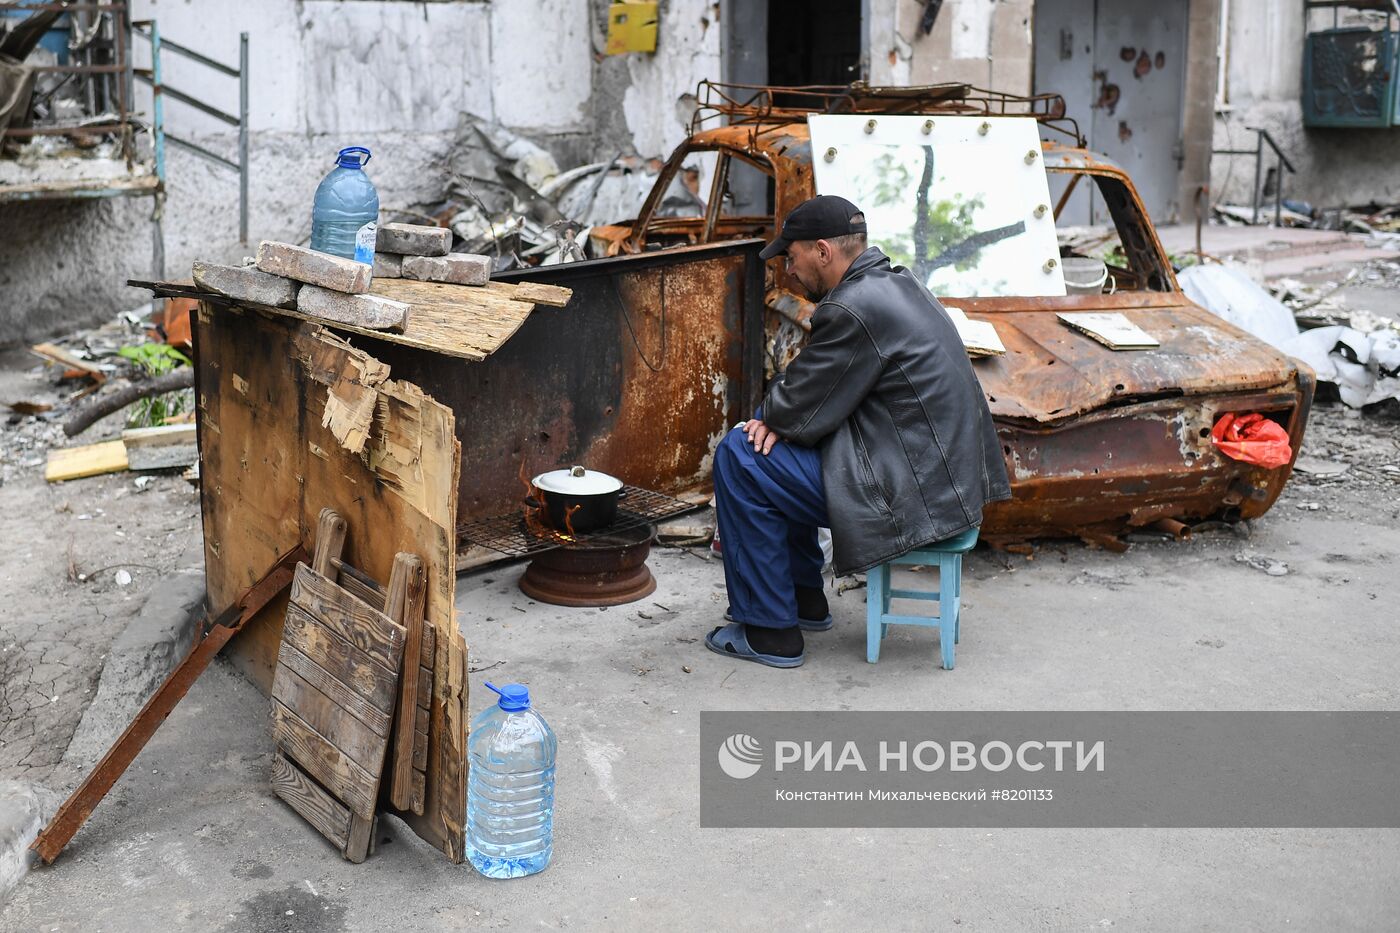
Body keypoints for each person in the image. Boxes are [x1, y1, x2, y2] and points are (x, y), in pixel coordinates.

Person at [705, 194, 1011, 668]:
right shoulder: (898, 284)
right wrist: (785, 420)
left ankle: (770, 632)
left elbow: (795, 403)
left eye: (792, 255)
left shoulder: (853, 307)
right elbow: (813, 397)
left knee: (740, 456)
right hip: (941, 481)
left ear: (823, 252)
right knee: (782, 448)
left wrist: (770, 419)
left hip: (912, 494)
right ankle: (805, 600)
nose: (788, 269)